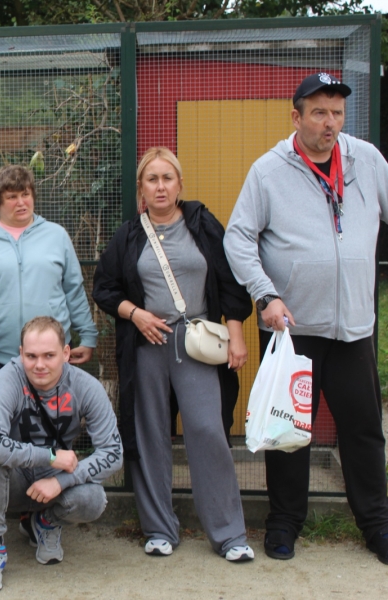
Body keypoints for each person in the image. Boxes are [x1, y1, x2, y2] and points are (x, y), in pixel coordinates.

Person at [224, 72, 388, 565]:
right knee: (288, 432)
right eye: (319, 113)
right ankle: (284, 523)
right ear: (296, 117)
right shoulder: (268, 171)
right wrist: (266, 295)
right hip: (292, 331)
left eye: (337, 113)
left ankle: (377, 524)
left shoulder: (367, 160)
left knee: (364, 431)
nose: (329, 123)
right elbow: (238, 238)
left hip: (353, 327)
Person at [93, 147, 254, 562]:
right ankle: (159, 529)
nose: (160, 186)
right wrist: (136, 314)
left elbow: (231, 282)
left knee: (207, 431)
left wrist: (236, 336)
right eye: (152, 179)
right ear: (141, 188)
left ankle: (229, 534)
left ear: (180, 184)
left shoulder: (202, 225)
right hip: (147, 346)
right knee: (150, 434)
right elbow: (104, 288)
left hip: (196, 343)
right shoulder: (129, 235)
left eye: (168, 178)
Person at [0, 164, 99, 546]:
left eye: (26, 194)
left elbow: (74, 289)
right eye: (11, 196)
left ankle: (37, 514)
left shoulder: (55, 236)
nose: (21, 202)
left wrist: (88, 334)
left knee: (49, 433)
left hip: (47, 361)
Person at [0, 316, 121, 592]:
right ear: (21, 354)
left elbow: (113, 453)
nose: (39, 365)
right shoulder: (7, 378)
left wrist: (61, 481)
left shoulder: (86, 387)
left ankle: (45, 523)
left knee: (93, 498)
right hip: (14, 480)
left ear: (66, 353)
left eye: (49, 355)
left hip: (56, 480)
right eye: (31, 356)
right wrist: (50, 456)